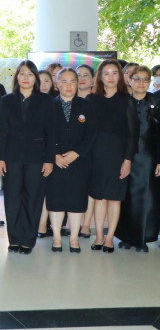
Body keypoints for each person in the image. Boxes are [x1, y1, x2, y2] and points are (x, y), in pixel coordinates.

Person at [0, 60, 56, 254]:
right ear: (17, 77)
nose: (26, 78)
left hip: (37, 157)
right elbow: (1, 132)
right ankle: (14, 239)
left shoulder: (46, 101)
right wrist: (0, 158)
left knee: (33, 199)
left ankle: (28, 240)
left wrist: (49, 160)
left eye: (30, 74)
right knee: (12, 198)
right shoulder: (6, 100)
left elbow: (51, 133)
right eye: (22, 73)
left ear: (35, 78)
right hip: (11, 157)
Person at [87, 59, 138, 252]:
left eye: (114, 73)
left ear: (121, 76)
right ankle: (99, 236)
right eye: (106, 73)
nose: (110, 77)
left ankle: (110, 238)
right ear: (100, 76)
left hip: (118, 154)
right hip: (96, 154)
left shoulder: (127, 100)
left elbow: (132, 134)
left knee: (114, 198)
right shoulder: (91, 99)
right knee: (99, 198)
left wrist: (128, 160)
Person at [46, 68, 97, 253]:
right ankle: (57, 238)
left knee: (76, 200)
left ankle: (74, 238)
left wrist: (77, 153)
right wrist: (54, 155)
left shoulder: (87, 106)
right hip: (55, 161)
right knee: (56, 199)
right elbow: (43, 134)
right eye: (64, 81)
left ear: (78, 84)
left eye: (72, 81)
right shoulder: (48, 105)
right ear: (57, 84)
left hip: (79, 161)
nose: (68, 86)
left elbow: (92, 134)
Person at [115, 65, 160, 252]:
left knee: (146, 198)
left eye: (145, 79)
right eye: (137, 79)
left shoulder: (156, 102)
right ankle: (127, 237)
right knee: (126, 198)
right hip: (124, 156)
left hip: (148, 156)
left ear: (150, 82)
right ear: (130, 80)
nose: (141, 83)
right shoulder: (122, 101)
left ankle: (142, 238)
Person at [77, 64, 97, 237]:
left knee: (90, 187)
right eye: (78, 75)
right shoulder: (67, 98)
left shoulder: (97, 100)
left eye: (86, 75)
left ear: (93, 79)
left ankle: (86, 224)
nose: (82, 78)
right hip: (69, 153)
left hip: (92, 150)